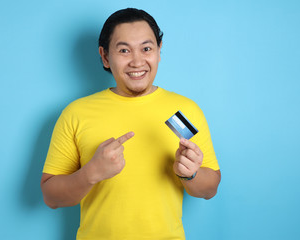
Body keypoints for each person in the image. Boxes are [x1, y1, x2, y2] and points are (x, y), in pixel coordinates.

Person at [41, 8, 221, 240]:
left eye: (146, 49)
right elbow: (50, 197)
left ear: (159, 51)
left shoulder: (184, 111)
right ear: (105, 56)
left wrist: (191, 175)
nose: (137, 61)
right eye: (124, 50)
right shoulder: (76, 113)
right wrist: (91, 173)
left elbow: (210, 189)